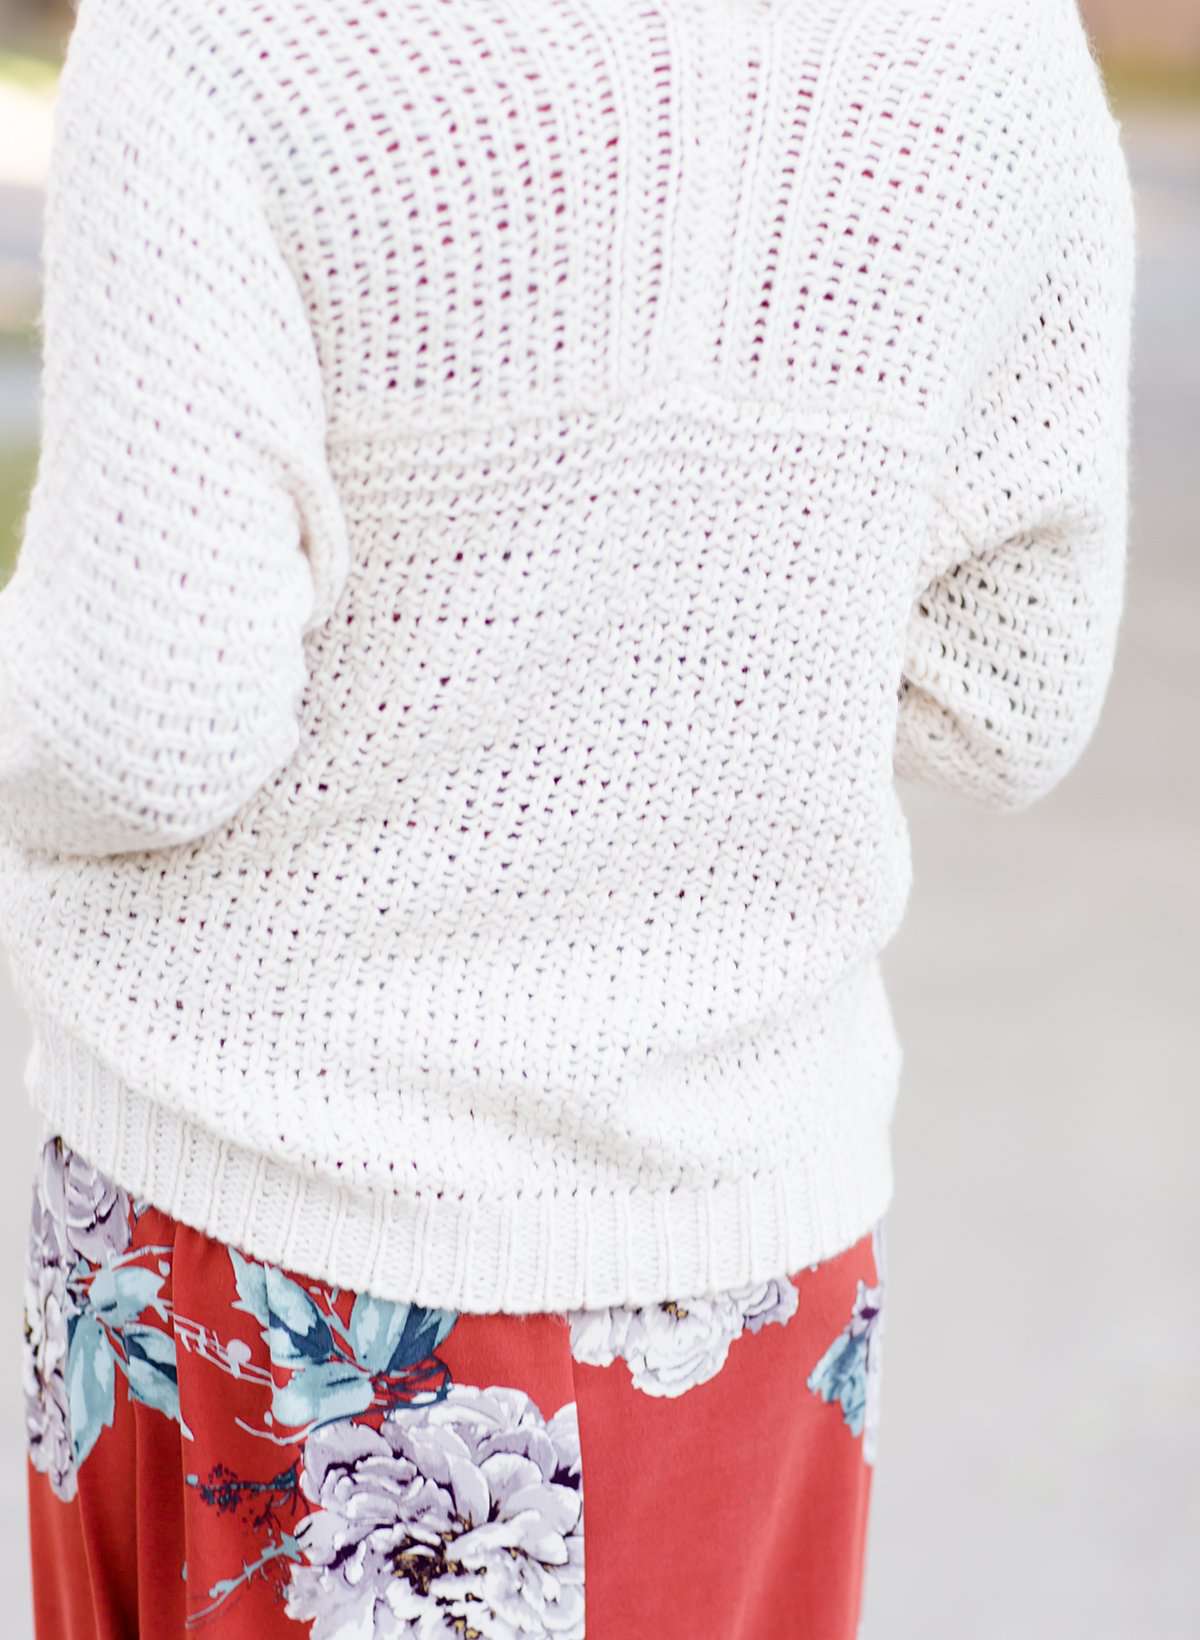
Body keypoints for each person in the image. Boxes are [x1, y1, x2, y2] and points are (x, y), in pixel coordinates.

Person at [0, 0, 1134, 1635]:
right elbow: (1009, 692)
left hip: (288, 1246)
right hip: (750, 1261)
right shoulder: (993, 47)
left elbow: (140, 727)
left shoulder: (228, 35)